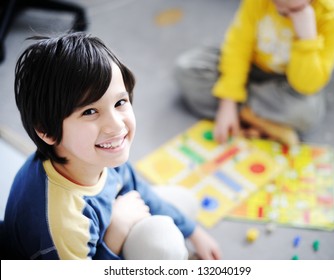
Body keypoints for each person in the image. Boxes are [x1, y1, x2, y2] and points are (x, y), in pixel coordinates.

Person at [3, 32, 221, 260]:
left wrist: (194, 232)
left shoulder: (91, 154)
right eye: (90, 111)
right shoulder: (63, 223)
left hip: (108, 219)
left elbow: (137, 187)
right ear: (47, 131)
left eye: (120, 102)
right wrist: (114, 235)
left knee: (185, 203)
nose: (116, 126)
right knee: (164, 244)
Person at [175, 0, 334, 145]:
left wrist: (306, 39)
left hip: (285, 84)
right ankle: (256, 118)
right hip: (250, 68)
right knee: (187, 68)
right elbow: (237, 48)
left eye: (292, 9)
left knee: (306, 114)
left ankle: (243, 112)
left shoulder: (332, 19)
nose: (280, 11)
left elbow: (307, 85)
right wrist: (228, 102)